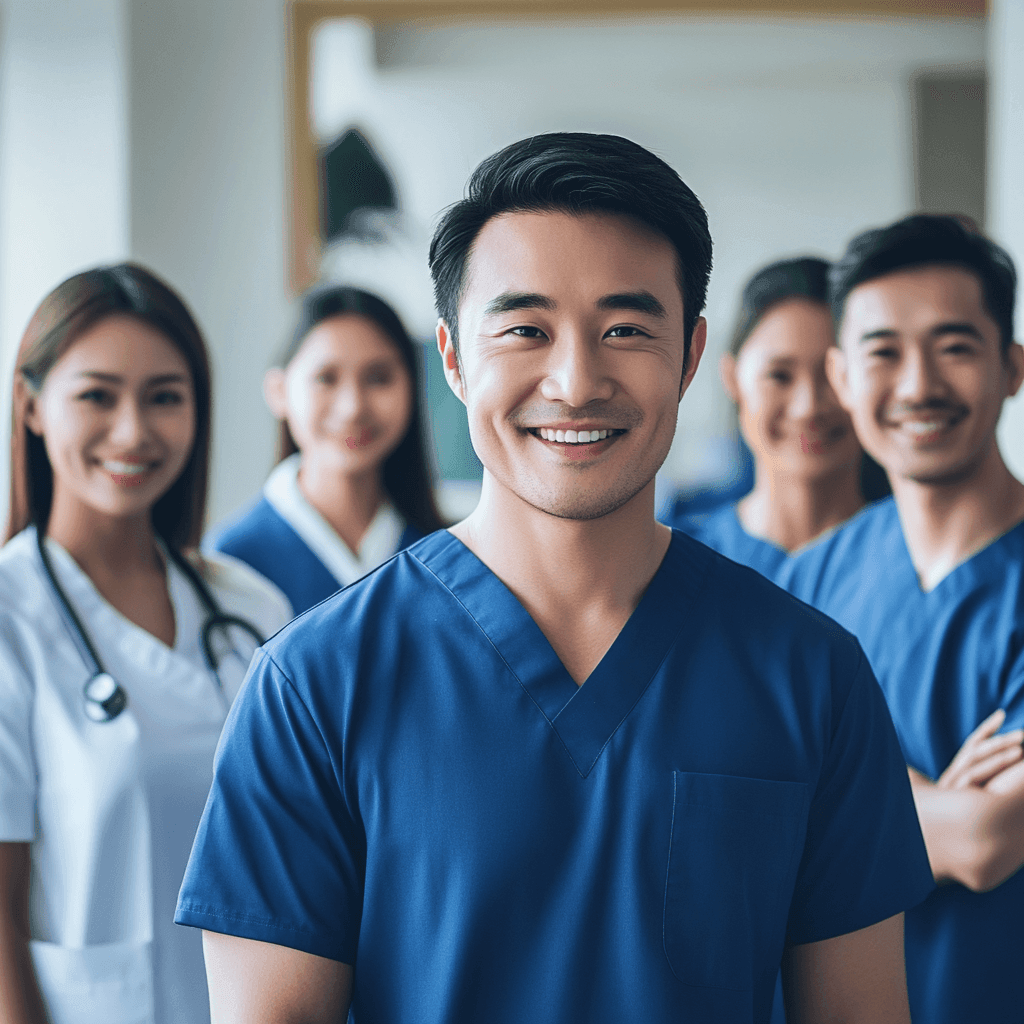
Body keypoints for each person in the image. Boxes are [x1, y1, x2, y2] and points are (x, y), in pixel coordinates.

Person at [176, 133, 933, 1024]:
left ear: (689, 358)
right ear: (453, 358)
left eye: (624, 330)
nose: (575, 381)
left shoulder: (811, 675)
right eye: (526, 330)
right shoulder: (313, 686)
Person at [0, 264, 292, 1024]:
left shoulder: (252, 608)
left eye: (165, 397)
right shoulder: (10, 616)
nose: (133, 431)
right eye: (97, 395)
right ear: (31, 407)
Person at [778, 214, 1024, 1024]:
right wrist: (932, 806)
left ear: (1012, 366)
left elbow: (989, 840)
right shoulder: (808, 578)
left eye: (954, 346)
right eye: (884, 352)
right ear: (844, 377)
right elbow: (763, 811)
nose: (918, 385)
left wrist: (837, 793)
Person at [210, 286, 445, 615]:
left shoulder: (442, 554)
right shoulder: (230, 561)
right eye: (326, 378)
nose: (353, 408)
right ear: (278, 391)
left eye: (378, 378)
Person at [669, 256, 887, 579]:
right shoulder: (674, 561)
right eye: (779, 375)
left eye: (832, 373)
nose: (809, 406)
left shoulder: (918, 554)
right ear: (732, 378)